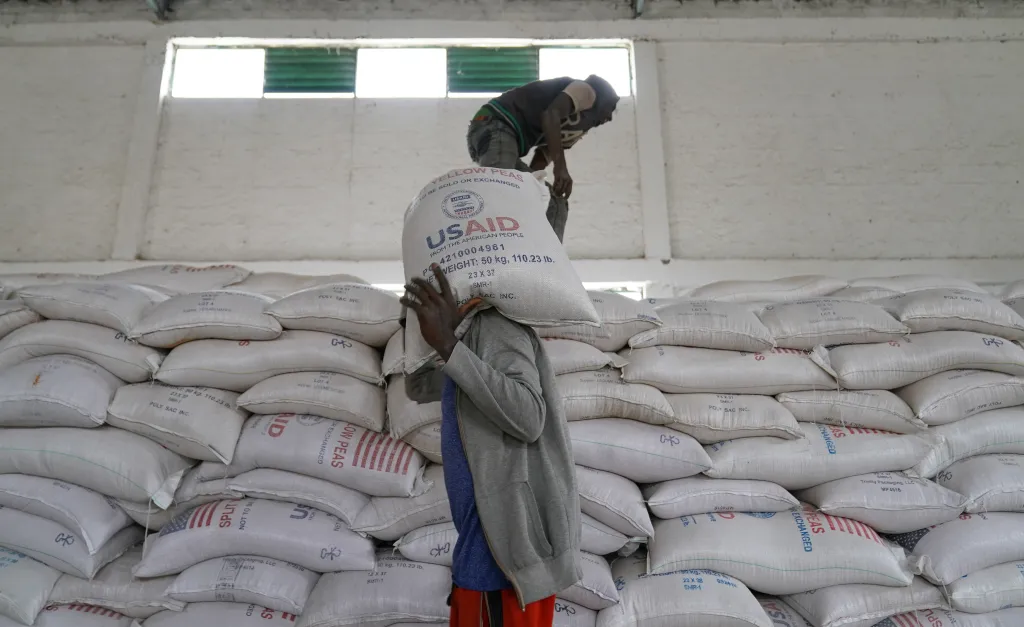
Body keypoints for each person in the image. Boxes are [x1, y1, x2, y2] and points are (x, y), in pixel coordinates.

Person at [401, 264, 580, 627]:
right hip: (485, 555)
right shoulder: (468, 339)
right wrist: (435, 336)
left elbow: (528, 417)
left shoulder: (498, 327)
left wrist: (448, 344)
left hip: (502, 565)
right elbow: (418, 386)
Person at [466, 75, 620, 242]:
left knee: (554, 204)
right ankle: (483, 247)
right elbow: (551, 115)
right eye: (612, 107)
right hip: (495, 123)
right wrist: (560, 168)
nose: (610, 117)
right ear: (604, 97)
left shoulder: (578, 128)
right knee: (500, 187)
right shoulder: (587, 91)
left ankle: (547, 261)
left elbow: (544, 154)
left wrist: (534, 186)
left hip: (501, 141)